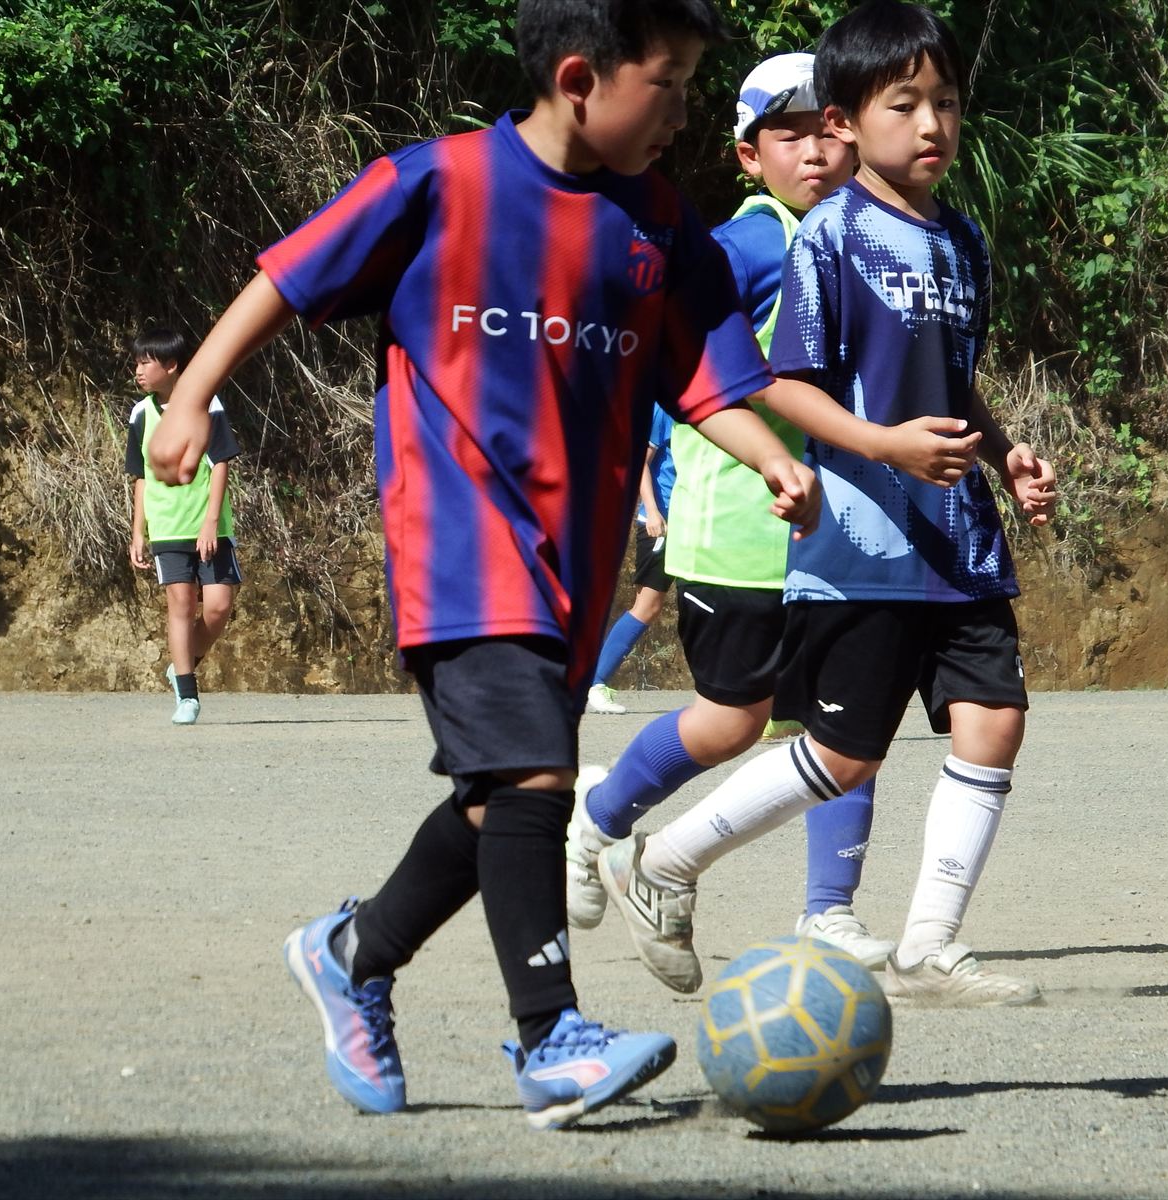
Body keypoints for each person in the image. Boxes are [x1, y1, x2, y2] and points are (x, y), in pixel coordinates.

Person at [140, 0, 907, 1130]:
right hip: (457, 537)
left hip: (573, 559)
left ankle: (353, 954)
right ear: (580, 78)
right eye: (670, 83)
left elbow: (706, 374)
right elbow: (287, 281)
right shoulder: (439, 183)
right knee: (538, 779)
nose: (684, 113)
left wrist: (769, 460)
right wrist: (194, 395)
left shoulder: (657, 223)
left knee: (501, 796)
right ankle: (552, 1037)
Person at [596, 0, 1058, 1007]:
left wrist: (1006, 452)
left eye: (946, 102)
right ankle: (664, 862)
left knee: (994, 722)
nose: (932, 124)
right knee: (843, 755)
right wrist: (883, 446)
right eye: (905, 104)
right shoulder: (832, 237)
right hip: (861, 543)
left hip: (958, 539)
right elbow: (785, 384)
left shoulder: (964, 242)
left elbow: (956, 382)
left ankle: (929, 946)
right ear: (848, 121)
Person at [567, 52, 893, 967]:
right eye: (788, 136)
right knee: (730, 723)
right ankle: (598, 818)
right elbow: (670, 360)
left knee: (846, 726)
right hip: (741, 535)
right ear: (749, 156)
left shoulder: (867, 241)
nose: (816, 152)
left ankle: (829, 912)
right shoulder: (742, 247)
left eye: (830, 131)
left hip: (841, 537)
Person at [123, 326, 242, 727]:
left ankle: (181, 667)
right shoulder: (140, 414)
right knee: (181, 604)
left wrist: (211, 522)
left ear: (172, 365)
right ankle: (187, 696)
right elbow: (141, 476)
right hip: (167, 528)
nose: (138, 370)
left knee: (219, 607)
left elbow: (221, 462)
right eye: (137, 363)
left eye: (146, 362)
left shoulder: (207, 404)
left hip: (210, 526)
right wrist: (138, 532)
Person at [586, 406, 676, 714]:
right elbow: (640, 462)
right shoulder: (665, 409)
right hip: (661, 523)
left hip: (699, 522)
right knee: (648, 605)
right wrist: (652, 512)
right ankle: (596, 683)